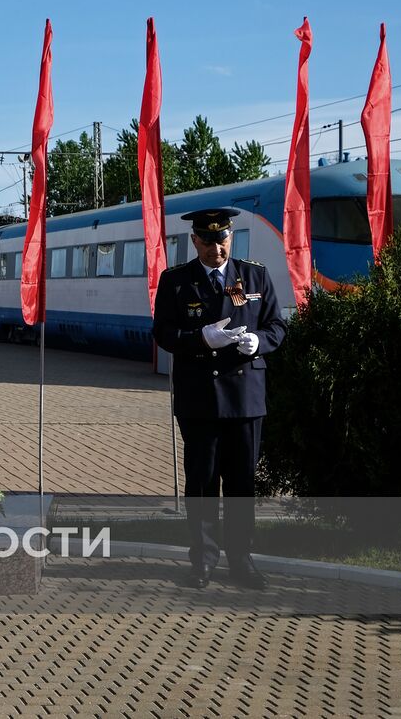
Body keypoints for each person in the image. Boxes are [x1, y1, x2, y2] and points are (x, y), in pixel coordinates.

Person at [152, 208, 287, 590]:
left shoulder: (255, 275)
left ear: (231, 237)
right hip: (201, 398)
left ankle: (242, 560)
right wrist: (200, 340)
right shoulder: (177, 282)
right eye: (208, 241)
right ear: (194, 241)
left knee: (242, 483)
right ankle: (204, 561)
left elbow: (277, 325)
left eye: (223, 239)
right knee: (202, 482)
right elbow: (162, 331)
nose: (217, 248)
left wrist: (259, 341)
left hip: (245, 397)